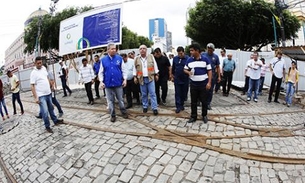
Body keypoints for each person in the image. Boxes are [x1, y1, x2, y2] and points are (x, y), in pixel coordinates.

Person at [30, 56, 64, 133]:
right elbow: (32, 86)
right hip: (41, 96)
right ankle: (47, 126)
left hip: (48, 93)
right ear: (35, 63)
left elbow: (47, 78)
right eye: (38, 63)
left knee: (51, 108)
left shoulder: (44, 69)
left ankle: (55, 121)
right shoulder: (33, 73)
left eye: (40, 63)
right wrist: (36, 97)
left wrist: (51, 85)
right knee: (45, 112)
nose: (39, 64)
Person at [99, 43, 128, 122]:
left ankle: (123, 111)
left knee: (120, 99)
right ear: (108, 50)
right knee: (110, 101)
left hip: (118, 83)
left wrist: (125, 79)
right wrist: (101, 81)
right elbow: (101, 72)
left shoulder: (119, 58)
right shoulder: (103, 60)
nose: (114, 50)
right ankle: (113, 115)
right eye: (112, 49)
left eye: (115, 49)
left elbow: (124, 70)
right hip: (108, 85)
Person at [184, 43, 212, 123]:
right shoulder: (189, 60)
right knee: (193, 101)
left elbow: (209, 71)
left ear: (197, 51)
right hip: (193, 85)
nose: (191, 52)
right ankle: (193, 116)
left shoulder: (205, 60)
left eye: (192, 51)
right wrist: (188, 72)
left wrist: (209, 83)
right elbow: (185, 69)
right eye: (190, 51)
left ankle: (204, 115)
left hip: (203, 85)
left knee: (204, 101)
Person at [133, 45, 159, 115]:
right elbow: (134, 68)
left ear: (146, 50)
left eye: (144, 48)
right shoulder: (136, 58)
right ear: (139, 50)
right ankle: (145, 106)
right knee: (144, 94)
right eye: (141, 49)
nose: (142, 50)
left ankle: (154, 108)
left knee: (152, 93)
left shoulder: (151, 56)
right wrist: (135, 77)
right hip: (141, 78)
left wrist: (156, 74)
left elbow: (155, 66)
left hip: (150, 78)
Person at [202, 43, 220, 110]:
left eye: (211, 50)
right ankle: (202, 102)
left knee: (210, 90)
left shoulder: (215, 57)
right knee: (203, 89)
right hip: (203, 75)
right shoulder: (203, 55)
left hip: (212, 76)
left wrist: (219, 76)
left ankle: (208, 103)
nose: (209, 51)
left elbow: (218, 67)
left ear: (213, 50)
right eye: (208, 49)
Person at [171, 46, 189, 113]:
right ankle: (178, 106)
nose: (180, 55)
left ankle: (182, 104)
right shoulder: (175, 59)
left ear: (183, 52)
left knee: (184, 93)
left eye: (181, 53)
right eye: (179, 53)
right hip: (177, 79)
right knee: (177, 93)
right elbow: (173, 68)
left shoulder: (188, 59)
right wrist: (172, 76)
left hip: (185, 79)